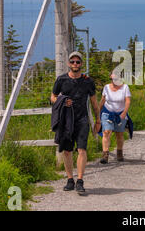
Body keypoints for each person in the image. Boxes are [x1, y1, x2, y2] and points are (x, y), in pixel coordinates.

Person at [50, 51, 101, 193]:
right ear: (68, 63)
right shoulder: (61, 80)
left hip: (82, 119)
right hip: (66, 120)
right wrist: (61, 100)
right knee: (67, 151)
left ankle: (80, 180)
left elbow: (94, 102)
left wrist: (97, 120)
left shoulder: (87, 81)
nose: (75, 64)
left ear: (81, 64)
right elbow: (53, 97)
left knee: (82, 149)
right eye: (72, 62)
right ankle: (70, 179)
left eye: (78, 62)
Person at [99, 72, 131, 164]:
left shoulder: (125, 87)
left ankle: (119, 152)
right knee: (106, 132)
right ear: (110, 77)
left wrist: (124, 113)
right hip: (107, 112)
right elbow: (103, 100)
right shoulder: (106, 87)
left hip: (120, 113)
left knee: (119, 134)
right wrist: (98, 112)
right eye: (113, 76)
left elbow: (128, 101)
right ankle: (105, 154)